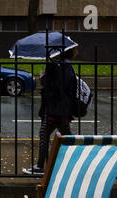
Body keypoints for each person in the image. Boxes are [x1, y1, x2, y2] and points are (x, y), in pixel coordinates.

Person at [23, 47, 78, 175]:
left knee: (45, 134)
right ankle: (72, 163)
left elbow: (55, 86)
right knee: (65, 137)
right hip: (63, 109)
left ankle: (40, 166)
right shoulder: (69, 66)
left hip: (55, 109)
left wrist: (43, 77)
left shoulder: (56, 66)